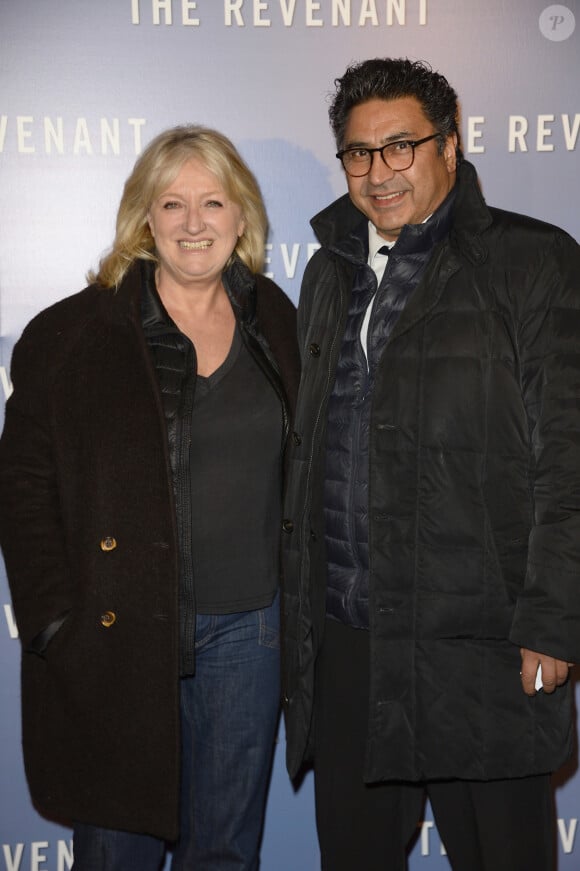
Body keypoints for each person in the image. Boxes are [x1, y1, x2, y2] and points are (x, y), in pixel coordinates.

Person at [281, 58, 580, 871]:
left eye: (401, 145)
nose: (378, 172)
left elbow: (569, 455)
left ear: (451, 143)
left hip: (478, 645)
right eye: (358, 153)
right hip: (351, 639)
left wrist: (552, 621)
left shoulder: (532, 261)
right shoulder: (328, 272)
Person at [0, 124, 299, 870]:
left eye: (212, 202)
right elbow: (23, 487)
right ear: (145, 219)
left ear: (242, 217)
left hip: (248, 632)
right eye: (172, 204)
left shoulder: (280, 321)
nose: (193, 223)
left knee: (225, 852)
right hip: (118, 636)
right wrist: (54, 622)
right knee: (117, 851)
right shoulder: (72, 334)